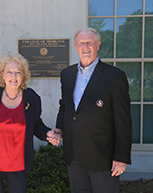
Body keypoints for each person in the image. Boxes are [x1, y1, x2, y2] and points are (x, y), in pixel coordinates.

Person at [55, 27, 132, 193]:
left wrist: (121, 157)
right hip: (74, 155)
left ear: (98, 45)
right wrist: (59, 129)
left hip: (103, 157)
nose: (85, 46)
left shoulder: (115, 76)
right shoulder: (67, 74)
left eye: (89, 42)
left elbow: (123, 120)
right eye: (81, 43)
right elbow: (65, 106)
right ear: (75, 47)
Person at [0, 54, 61, 193]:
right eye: (9, 72)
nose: (14, 76)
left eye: (18, 72)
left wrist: (48, 133)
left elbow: (36, 124)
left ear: (23, 75)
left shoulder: (31, 97)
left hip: (18, 164)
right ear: (2, 74)